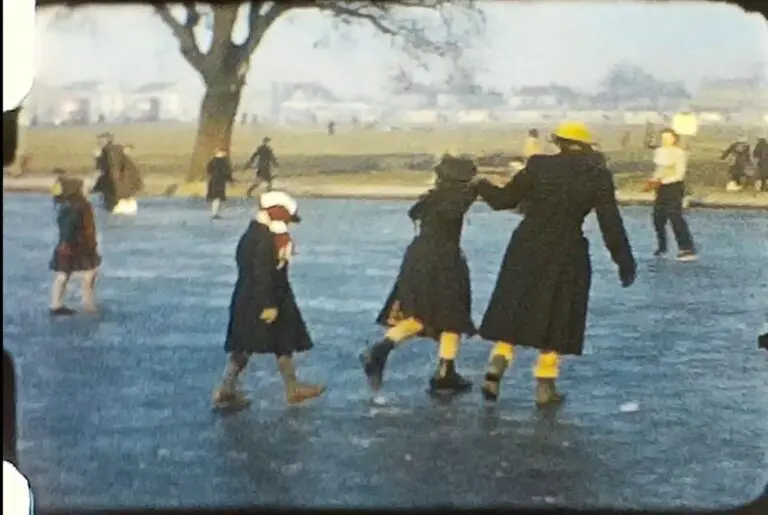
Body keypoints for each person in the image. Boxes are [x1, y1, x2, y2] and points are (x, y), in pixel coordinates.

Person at [474, 121, 636, 408]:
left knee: (515, 306)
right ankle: (545, 386)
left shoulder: (538, 166)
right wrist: (623, 260)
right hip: (567, 248)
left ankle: (497, 363)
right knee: (559, 315)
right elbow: (610, 222)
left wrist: (482, 185)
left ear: (558, 142)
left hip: (526, 245)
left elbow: (503, 201)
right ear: (587, 146)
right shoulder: (597, 175)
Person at [359, 153, 478, 396]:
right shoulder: (455, 199)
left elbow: (414, 212)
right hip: (443, 261)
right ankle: (444, 372)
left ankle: (383, 350)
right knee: (452, 314)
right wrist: (475, 192)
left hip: (417, 257)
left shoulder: (432, 197)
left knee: (423, 314)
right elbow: (453, 212)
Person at [212, 191, 325, 410]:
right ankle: (289, 388)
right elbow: (262, 273)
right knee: (262, 344)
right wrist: (268, 304)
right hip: (263, 299)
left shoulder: (256, 234)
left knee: (270, 343)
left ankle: (230, 390)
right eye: (287, 220)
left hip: (253, 298)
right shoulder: (264, 239)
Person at [49, 177, 101, 316]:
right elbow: (69, 227)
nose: (87, 190)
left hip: (73, 245)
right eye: (83, 188)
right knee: (85, 274)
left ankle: (57, 304)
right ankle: (87, 303)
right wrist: (66, 243)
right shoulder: (78, 206)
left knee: (65, 274)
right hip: (76, 246)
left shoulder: (69, 206)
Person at [645, 128, 698, 261]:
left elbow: (679, 174)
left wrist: (662, 181)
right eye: (663, 137)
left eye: (668, 137)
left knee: (675, 217)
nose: (665, 140)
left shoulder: (679, 153)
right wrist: (653, 180)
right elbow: (659, 169)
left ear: (674, 139)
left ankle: (686, 248)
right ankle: (662, 247)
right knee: (658, 218)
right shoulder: (659, 152)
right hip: (661, 188)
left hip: (674, 187)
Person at [206, 147, 234, 219]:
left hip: (213, 181)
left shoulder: (212, 161)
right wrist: (230, 180)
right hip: (220, 181)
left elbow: (209, 170)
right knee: (217, 198)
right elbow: (227, 172)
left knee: (215, 198)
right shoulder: (223, 162)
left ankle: (214, 213)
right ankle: (215, 213)